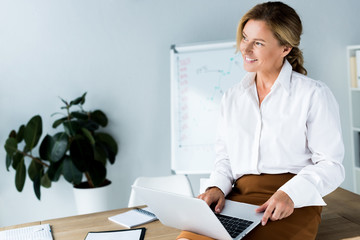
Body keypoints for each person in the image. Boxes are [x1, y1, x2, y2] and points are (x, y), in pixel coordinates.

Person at [177, 1, 345, 240]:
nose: (245, 50)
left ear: (285, 48)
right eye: (245, 38)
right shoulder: (232, 97)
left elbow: (332, 165)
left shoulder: (313, 94)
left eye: (258, 43)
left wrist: (291, 194)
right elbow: (224, 158)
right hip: (236, 198)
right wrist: (215, 188)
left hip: (291, 202)